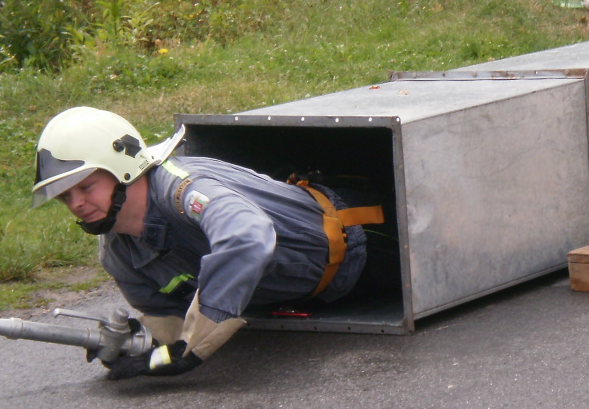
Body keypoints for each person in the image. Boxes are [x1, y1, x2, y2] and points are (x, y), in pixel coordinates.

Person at [31, 106, 389, 380]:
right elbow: (171, 314)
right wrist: (140, 343)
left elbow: (248, 237)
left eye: (86, 187)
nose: (76, 204)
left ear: (122, 168)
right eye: (65, 197)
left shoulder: (182, 189)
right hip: (324, 293)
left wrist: (196, 343)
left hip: (366, 239)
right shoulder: (118, 255)